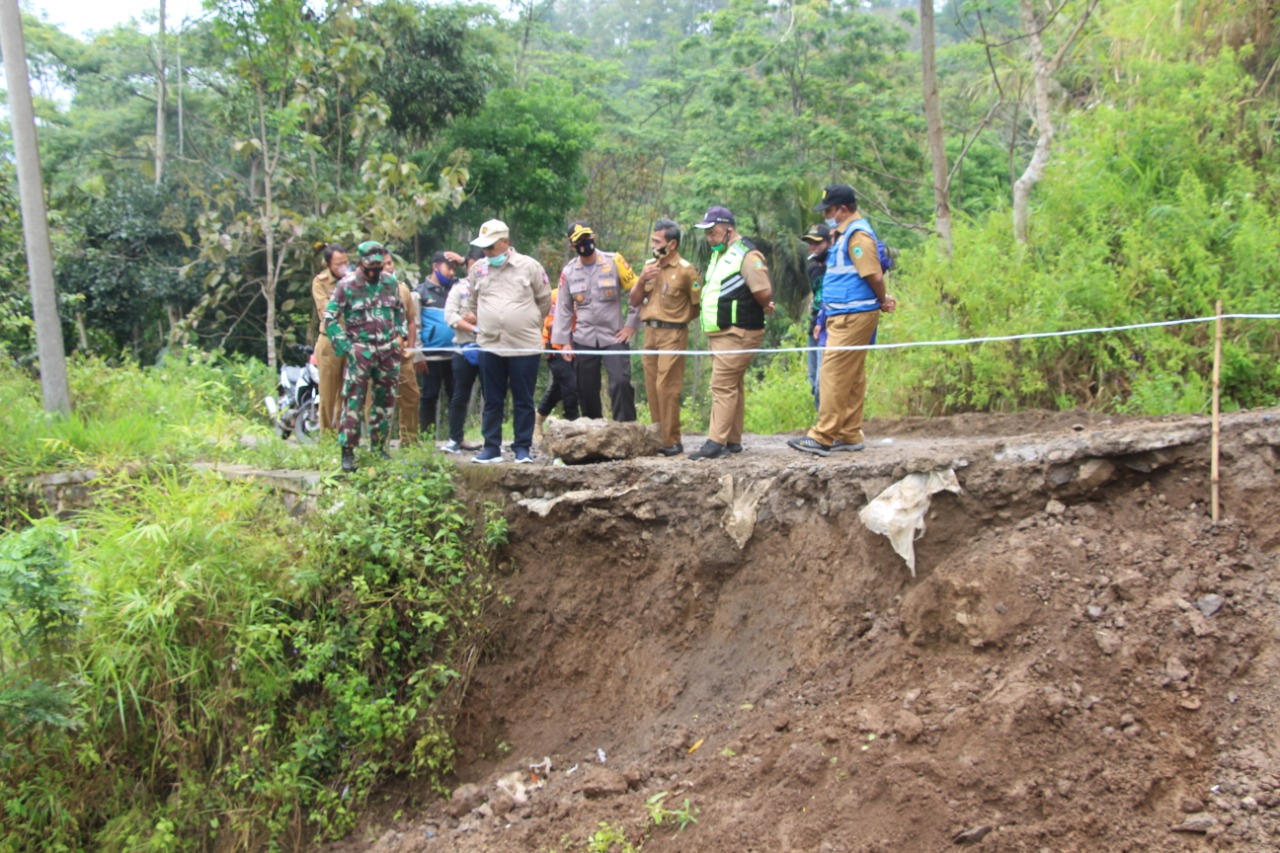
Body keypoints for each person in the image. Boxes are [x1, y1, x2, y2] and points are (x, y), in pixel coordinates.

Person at [788, 184, 897, 458]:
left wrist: (883, 299)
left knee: (832, 373)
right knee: (852, 375)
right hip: (843, 314)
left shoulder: (857, 236)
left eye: (829, 210)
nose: (827, 216)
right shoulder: (843, 234)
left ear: (843, 209)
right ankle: (848, 432)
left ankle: (823, 435)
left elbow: (873, 274)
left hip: (852, 315)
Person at [689, 205, 775, 460]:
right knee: (732, 385)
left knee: (722, 386)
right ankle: (732, 439)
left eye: (713, 233)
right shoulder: (721, 253)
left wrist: (760, 304)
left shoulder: (748, 255)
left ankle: (715, 442)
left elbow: (763, 291)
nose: (709, 238)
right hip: (723, 332)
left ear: (728, 230)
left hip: (738, 331)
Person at [467, 219, 551, 464]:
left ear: (505, 242)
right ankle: (491, 447)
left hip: (523, 345)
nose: (487, 252)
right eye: (484, 247)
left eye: (491, 246)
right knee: (492, 399)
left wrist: (524, 320)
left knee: (523, 399)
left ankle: (522, 448)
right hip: (490, 344)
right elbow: (472, 302)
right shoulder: (478, 269)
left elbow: (544, 301)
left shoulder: (529, 266)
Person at [323, 240, 408, 472]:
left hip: (388, 350)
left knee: (385, 401)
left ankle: (379, 448)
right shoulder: (347, 285)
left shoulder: (390, 283)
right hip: (360, 350)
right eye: (370, 266)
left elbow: (400, 310)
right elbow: (329, 317)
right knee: (354, 401)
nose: (374, 271)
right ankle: (348, 451)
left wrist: (401, 335)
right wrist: (346, 347)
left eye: (378, 266)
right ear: (360, 262)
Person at [549, 222, 639, 422]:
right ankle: (594, 430)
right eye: (578, 240)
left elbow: (638, 291)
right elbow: (563, 308)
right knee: (586, 388)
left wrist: (631, 325)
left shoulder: (614, 261)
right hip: (584, 338)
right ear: (572, 245)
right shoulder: (569, 272)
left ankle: (625, 429)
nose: (584, 243)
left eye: (586, 237)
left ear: (594, 235)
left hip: (614, 335)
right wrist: (564, 342)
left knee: (620, 382)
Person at [628, 218, 700, 456]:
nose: (653, 245)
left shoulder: (686, 270)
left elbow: (696, 306)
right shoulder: (649, 266)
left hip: (673, 332)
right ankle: (659, 439)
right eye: (652, 240)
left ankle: (672, 440)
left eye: (657, 241)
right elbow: (634, 301)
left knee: (667, 387)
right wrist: (641, 279)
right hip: (650, 333)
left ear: (672, 244)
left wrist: (678, 321)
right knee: (652, 386)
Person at [415, 251, 465, 440]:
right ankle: (426, 440)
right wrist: (418, 354)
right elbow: (415, 323)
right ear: (436, 267)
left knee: (456, 396)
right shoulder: (419, 292)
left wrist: (462, 260)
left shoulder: (458, 288)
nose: (452, 272)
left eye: (454, 268)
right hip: (430, 356)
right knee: (429, 397)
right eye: (448, 267)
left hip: (455, 354)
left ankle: (456, 439)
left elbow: (476, 275)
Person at [439, 248, 485, 453]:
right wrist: (474, 327)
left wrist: (480, 319)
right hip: (463, 349)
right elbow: (451, 317)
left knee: (492, 396)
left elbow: (503, 314)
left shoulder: (495, 288)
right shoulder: (458, 289)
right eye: (472, 265)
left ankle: (492, 442)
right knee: (459, 396)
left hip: (489, 349)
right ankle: (455, 439)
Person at [311, 243, 349, 434]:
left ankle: (345, 436)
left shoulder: (355, 280)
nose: (343, 266)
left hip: (353, 340)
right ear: (327, 264)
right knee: (328, 392)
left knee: (348, 391)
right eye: (338, 264)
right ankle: (327, 437)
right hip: (331, 341)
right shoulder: (320, 282)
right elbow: (327, 312)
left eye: (345, 262)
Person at [535, 283, 580, 436]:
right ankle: (572, 425)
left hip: (578, 347)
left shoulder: (586, 296)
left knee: (559, 389)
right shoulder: (555, 296)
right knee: (570, 386)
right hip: (555, 347)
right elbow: (550, 325)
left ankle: (538, 419)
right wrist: (570, 312)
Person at [385, 255, 421, 445]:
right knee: (378, 398)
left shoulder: (403, 289)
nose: (387, 268)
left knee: (411, 394)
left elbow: (411, 321)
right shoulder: (365, 290)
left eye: (389, 263)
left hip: (402, 352)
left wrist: (411, 348)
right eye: (382, 265)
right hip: (379, 353)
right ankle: (379, 442)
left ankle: (409, 439)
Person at [800, 223, 832, 410]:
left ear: (828, 243)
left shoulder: (835, 267)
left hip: (828, 327)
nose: (813, 247)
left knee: (823, 379)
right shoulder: (812, 269)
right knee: (813, 378)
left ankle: (826, 425)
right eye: (810, 243)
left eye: (817, 243)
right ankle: (822, 418)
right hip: (814, 326)